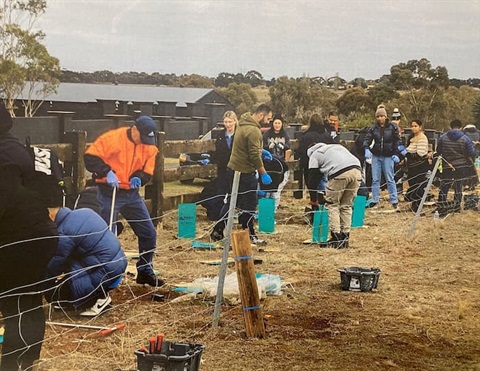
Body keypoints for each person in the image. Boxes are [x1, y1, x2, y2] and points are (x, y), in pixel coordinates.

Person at [84, 115, 163, 287]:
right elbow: (90, 158)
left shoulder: (150, 146)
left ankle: (145, 270)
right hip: (109, 192)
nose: (144, 142)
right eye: (141, 137)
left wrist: (139, 178)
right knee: (107, 235)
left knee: (149, 232)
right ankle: (103, 275)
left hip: (132, 195)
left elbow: (148, 172)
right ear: (134, 129)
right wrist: (106, 172)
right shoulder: (113, 138)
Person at [0, 165, 58, 371]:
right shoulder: (16, 177)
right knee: (31, 300)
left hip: (22, 244)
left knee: (14, 303)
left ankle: (10, 364)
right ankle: (29, 360)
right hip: (43, 238)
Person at [45, 205, 127, 317]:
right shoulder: (85, 212)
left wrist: (42, 285)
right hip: (119, 263)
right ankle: (96, 296)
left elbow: (55, 265)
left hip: (105, 271)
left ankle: (99, 301)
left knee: (53, 295)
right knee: (69, 274)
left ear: (51, 216)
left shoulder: (64, 233)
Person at [210, 104, 273, 245]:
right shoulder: (253, 131)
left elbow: (245, 147)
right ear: (261, 115)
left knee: (233, 202)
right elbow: (253, 155)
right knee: (249, 204)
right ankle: (249, 233)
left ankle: (218, 230)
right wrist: (263, 172)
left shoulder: (243, 124)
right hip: (245, 171)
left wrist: (260, 150)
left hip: (233, 169)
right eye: (268, 118)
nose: (269, 121)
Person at [307, 143, 362, 248]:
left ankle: (336, 238)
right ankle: (345, 238)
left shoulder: (314, 155)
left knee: (332, 204)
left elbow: (312, 179)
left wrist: (314, 199)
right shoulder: (336, 147)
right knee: (346, 205)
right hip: (357, 170)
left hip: (339, 173)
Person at [363, 105, 401, 210]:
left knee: (390, 179)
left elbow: (397, 141)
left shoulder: (392, 127)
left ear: (385, 116)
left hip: (389, 156)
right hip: (376, 155)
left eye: (381, 116)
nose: (380, 118)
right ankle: (375, 200)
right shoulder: (373, 128)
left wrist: (396, 153)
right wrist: (366, 148)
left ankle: (394, 200)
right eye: (378, 116)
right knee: (375, 179)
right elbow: (367, 139)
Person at [436, 119, 476, 215]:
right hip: (461, 165)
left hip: (447, 165)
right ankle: (456, 206)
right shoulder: (465, 139)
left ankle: (441, 205)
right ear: (461, 127)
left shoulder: (443, 137)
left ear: (450, 127)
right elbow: (471, 153)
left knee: (445, 185)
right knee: (458, 186)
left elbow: (438, 151)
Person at [204, 111, 238, 220]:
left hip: (236, 168)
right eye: (226, 122)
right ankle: (218, 215)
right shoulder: (220, 136)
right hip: (223, 168)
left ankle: (233, 213)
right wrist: (210, 158)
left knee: (235, 191)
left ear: (235, 122)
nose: (228, 124)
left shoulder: (239, 135)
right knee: (221, 191)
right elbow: (217, 152)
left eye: (230, 122)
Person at [299, 113, 336, 205]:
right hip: (326, 165)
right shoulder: (327, 135)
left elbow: (302, 152)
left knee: (313, 187)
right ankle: (323, 206)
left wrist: (303, 166)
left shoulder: (306, 136)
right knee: (324, 187)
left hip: (311, 166)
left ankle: (315, 205)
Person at [262, 114, 291, 210]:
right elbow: (262, 146)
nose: (277, 125)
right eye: (275, 123)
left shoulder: (285, 135)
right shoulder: (267, 134)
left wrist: (282, 146)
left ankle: (273, 211)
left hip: (280, 164)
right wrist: (268, 147)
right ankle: (265, 211)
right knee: (267, 191)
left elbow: (288, 146)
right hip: (269, 164)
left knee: (276, 191)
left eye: (279, 123)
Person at [404, 120, 430, 212]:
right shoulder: (412, 137)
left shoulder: (422, 138)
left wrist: (407, 153)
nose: (413, 128)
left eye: (415, 126)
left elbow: (420, 153)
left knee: (418, 185)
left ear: (420, 127)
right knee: (412, 184)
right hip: (412, 166)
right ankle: (414, 204)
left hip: (420, 166)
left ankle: (418, 206)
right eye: (412, 126)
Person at [462, 124, 480, 190]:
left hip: (465, 153)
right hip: (475, 152)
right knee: (472, 167)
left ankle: (466, 183)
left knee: (466, 168)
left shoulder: (464, 133)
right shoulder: (478, 132)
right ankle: (473, 183)